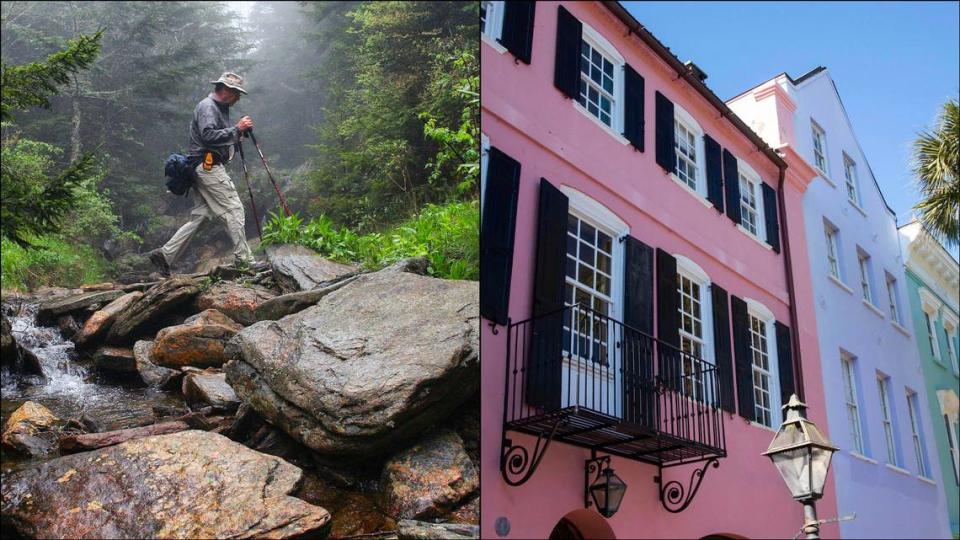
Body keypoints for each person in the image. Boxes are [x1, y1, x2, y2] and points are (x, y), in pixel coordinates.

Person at [147, 72, 256, 277]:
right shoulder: (208, 107)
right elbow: (207, 135)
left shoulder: (216, 107)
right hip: (208, 167)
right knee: (233, 208)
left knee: (203, 216)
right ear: (226, 90)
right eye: (236, 93)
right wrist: (237, 129)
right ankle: (245, 260)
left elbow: (214, 136)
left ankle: (165, 255)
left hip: (200, 167)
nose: (238, 98)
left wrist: (237, 133)